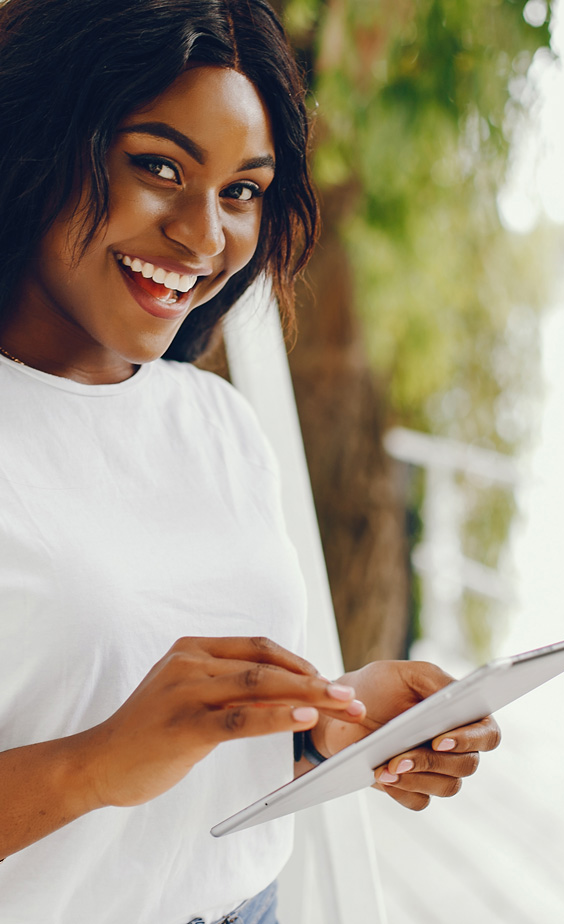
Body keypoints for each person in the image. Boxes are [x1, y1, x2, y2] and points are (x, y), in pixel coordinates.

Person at [0, 1, 501, 922]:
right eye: (158, 167)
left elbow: (193, 744)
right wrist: (93, 766)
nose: (202, 237)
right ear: (37, 143)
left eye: (242, 191)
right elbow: (117, 746)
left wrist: (327, 725)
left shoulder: (217, 424)